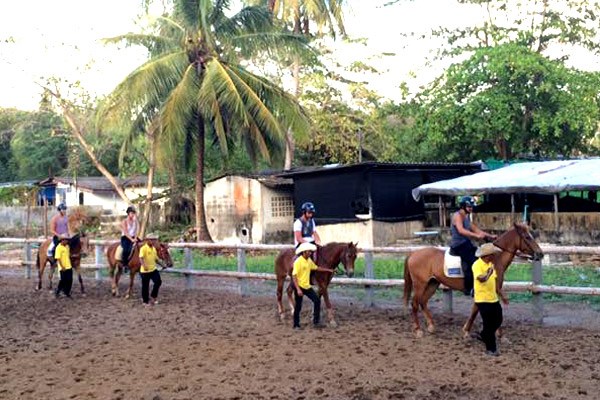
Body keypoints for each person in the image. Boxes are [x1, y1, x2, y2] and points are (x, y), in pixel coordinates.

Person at [449, 196, 496, 295]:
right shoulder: (457, 216)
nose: (471, 209)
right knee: (474, 262)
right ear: (463, 206)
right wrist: (476, 236)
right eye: (469, 207)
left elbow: (476, 229)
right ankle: (469, 288)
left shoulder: (466, 218)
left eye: (471, 207)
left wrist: (490, 236)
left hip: (466, 244)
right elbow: (461, 230)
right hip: (458, 245)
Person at [472, 243, 507, 356]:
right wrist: (487, 274)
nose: (495, 256)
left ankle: (484, 335)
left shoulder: (491, 265)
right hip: (482, 299)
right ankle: (491, 349)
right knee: (488, 324)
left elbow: (495, 282)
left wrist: (502, 295)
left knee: (498, 319)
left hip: (493, 298)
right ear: (489, 255)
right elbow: (481, 279)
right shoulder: (477, 265)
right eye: (493, 254)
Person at [291, 242, 334, 330]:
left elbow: (316, 267)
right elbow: (294, 276)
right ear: (304, 252)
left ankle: (316, 321)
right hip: (299, 286)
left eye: (310, 252)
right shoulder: (298, 262)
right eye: (309, 252)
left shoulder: (308, 261)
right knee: (298, 306)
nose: (310, 253)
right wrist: (298, 289)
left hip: (307, 286)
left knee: (317, 300)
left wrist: (328, 270)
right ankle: (296, 325)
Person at [139, 233, 162, 307]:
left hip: (153, 269)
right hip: (145, 271)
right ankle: (145, 301)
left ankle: (153, 295)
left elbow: (156, 259)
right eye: (152, 240)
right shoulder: (143, 248)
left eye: (154, 240)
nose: (154, 241)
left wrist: (162, 264)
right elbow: (141, 258)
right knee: (145, 286)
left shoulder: (154, 249)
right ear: (147, 240)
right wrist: (144, 265)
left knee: (158, 281)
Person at [54, 234, 73, 298]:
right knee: (63, 280)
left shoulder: (67, 247)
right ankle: (58, 291)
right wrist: (62, 267)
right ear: (62, 240)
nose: (67, 241)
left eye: (67, 240)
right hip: (63, 267)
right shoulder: (58, 248)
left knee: (70, 280)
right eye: (66, 240)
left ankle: (67, 292)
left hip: (69, 266)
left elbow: (68, 255)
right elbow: (58, 258)